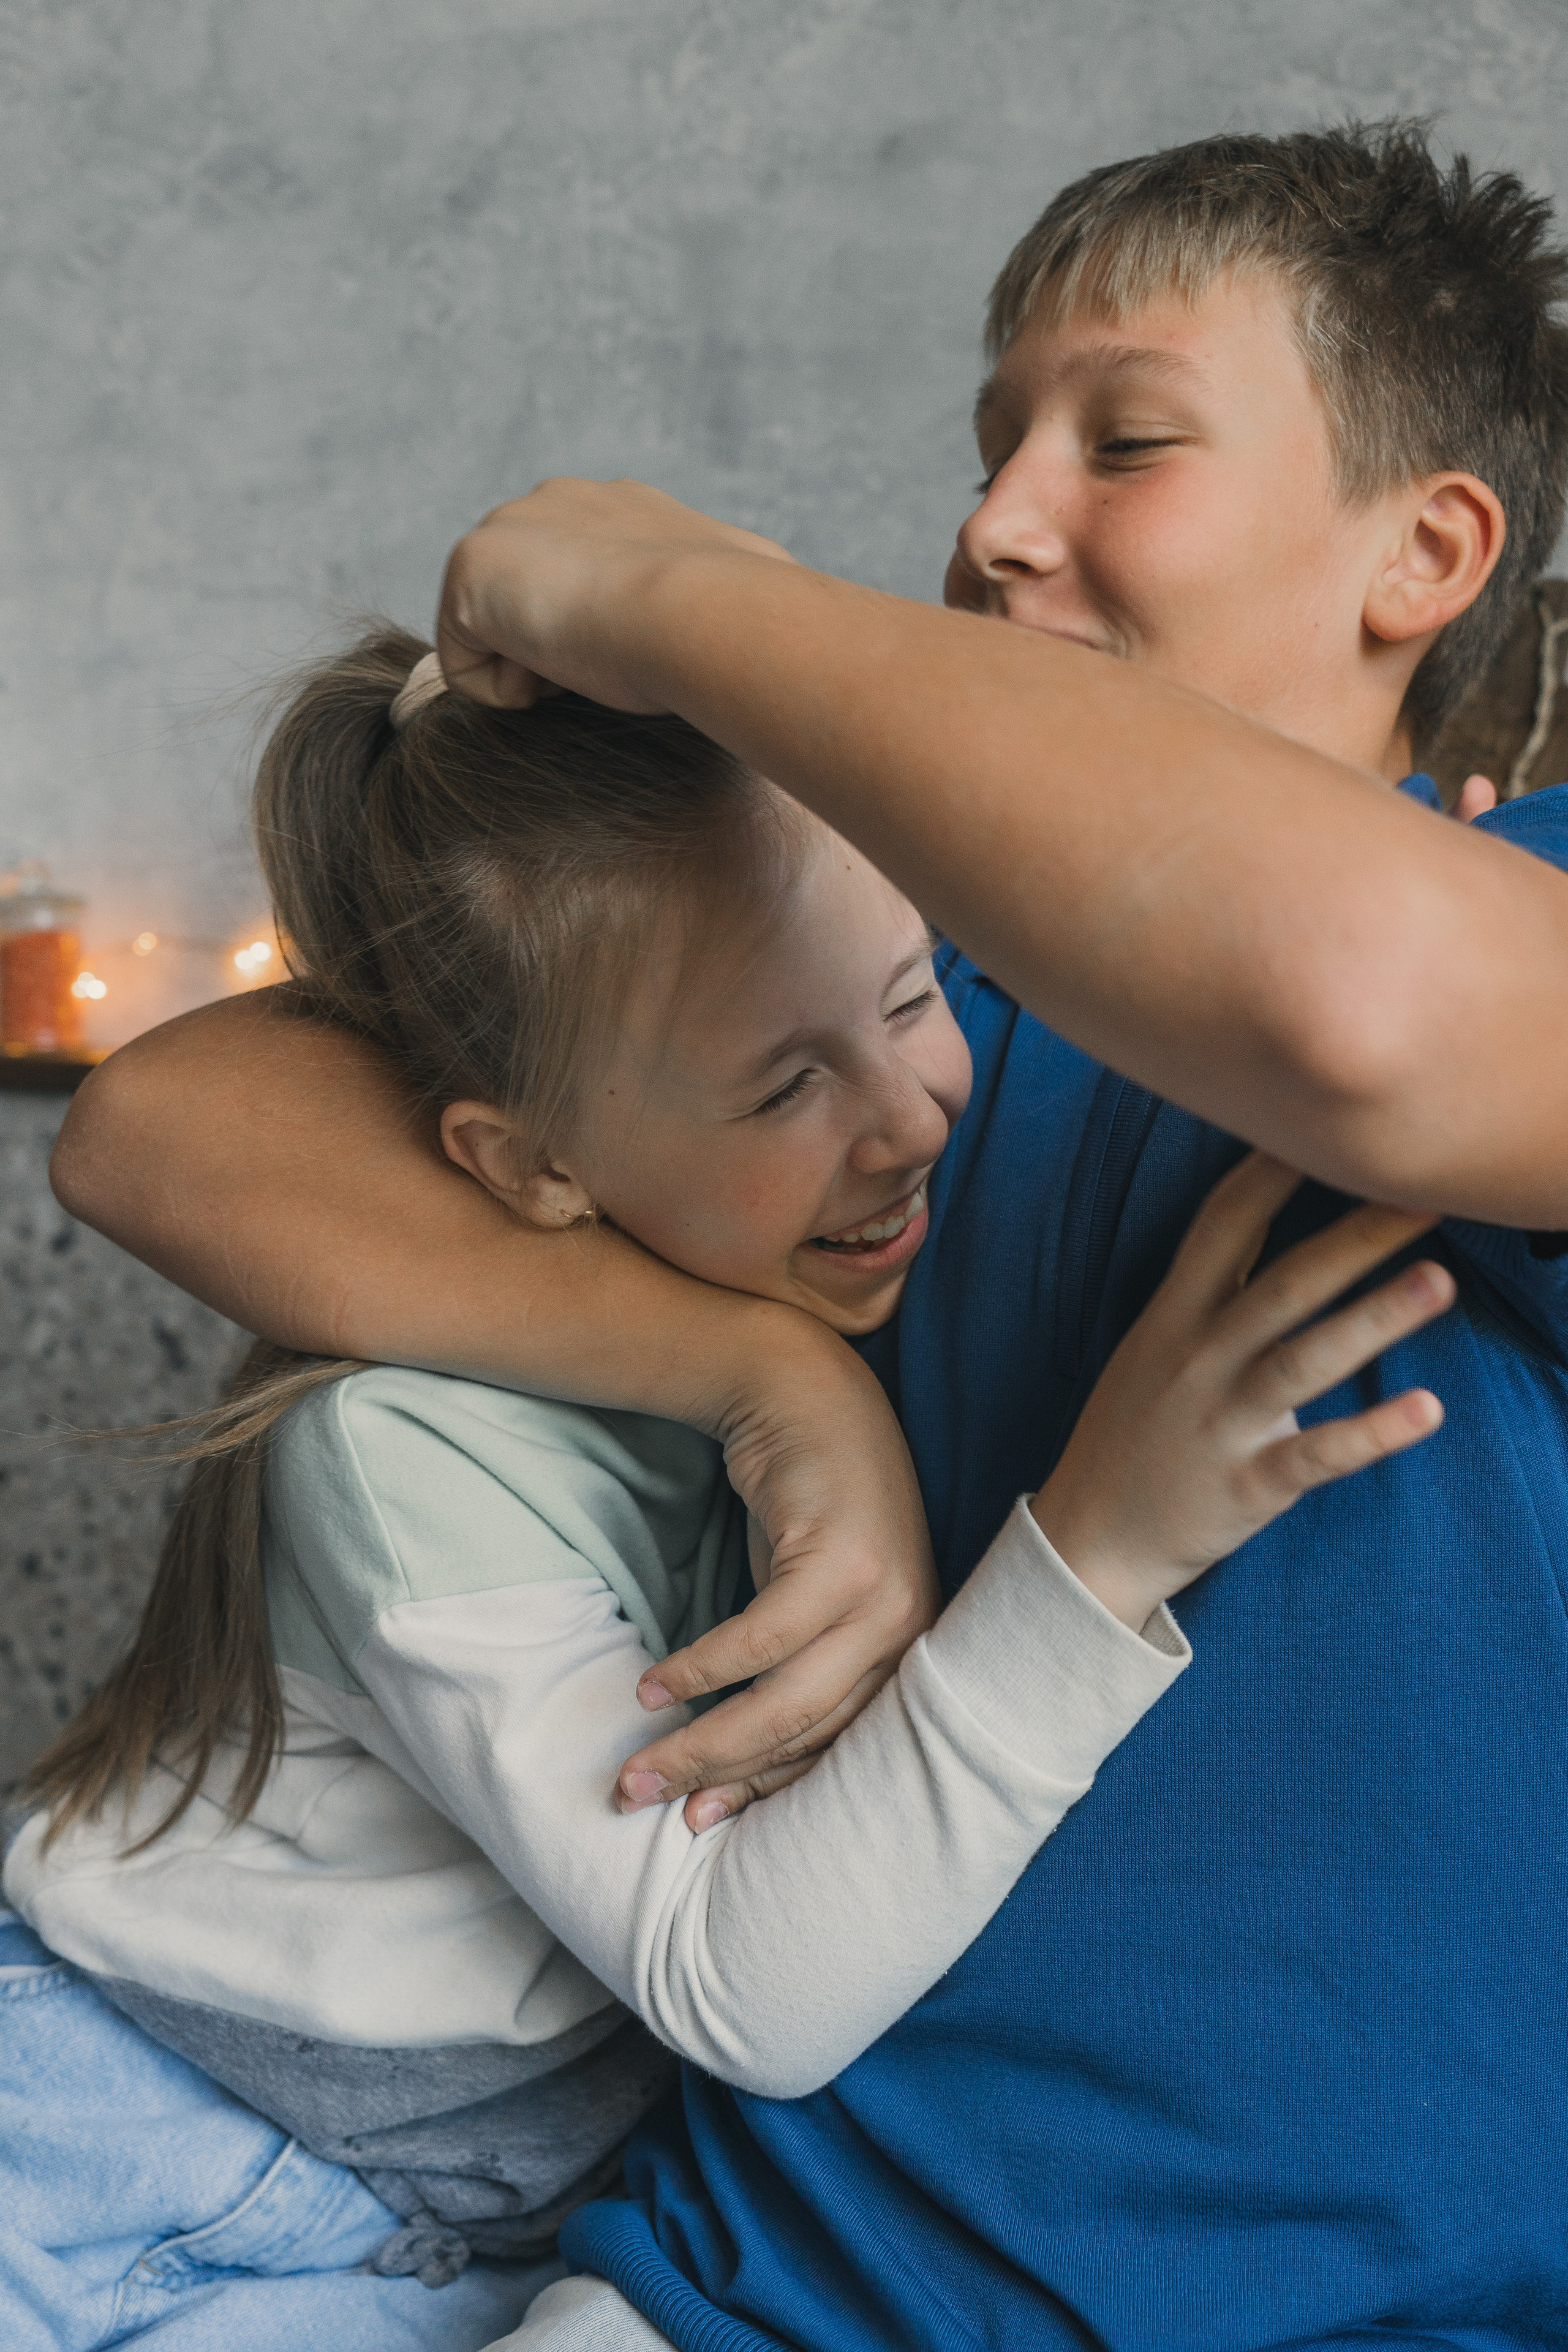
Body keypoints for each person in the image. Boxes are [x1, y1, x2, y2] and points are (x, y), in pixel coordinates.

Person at [51, 123, 1568, 2347]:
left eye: (1126, 441)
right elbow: (158, 1128)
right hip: (753, 2290)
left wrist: (671, 596)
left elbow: (1367, 1008)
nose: (994, 524)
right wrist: (759, 1373)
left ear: (1425, 552)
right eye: (992, 445)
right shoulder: (908, 1020)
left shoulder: (1524, 926)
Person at [0, 629, 1443, 2350]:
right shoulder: (400, 1454)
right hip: (122, 2134)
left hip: (462, 2219)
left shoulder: (854, 1224)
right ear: (532, 1165)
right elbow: (741, 1988)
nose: (912, 1119)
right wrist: (1102, 1551)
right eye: (785, 1084)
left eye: (908, 998)